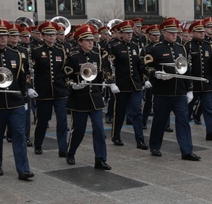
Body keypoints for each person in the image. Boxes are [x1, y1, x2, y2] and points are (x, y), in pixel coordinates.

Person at [0, 20, 35, 180]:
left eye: (5, 35)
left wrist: (26, 95)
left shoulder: (16, 55)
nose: (3, 38)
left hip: (15, 102)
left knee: (19, 134)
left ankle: (23, 169)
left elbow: (22, 77)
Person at [144, 17, 200, 160]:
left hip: (179, 92)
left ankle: (187, 151)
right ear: (164, 32)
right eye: (171, 32)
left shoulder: (181, 48)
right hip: (163, 92)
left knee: (183, 122)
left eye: (176, 32)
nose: (175, 34)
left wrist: (189, 89)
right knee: (159, 121)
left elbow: (186, 70)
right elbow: (146, 67)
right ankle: (155, 146)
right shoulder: (156, 49)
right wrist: (155, 74)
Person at [63, 24, 111, 169]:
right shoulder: (73, 57)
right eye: (87, 40)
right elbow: (65, 76)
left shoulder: (97, 55)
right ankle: (71, 152)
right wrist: (72, 84)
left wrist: (107, 83)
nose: (91, 43)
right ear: (79, 42)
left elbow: (102, 73)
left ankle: (100, 159)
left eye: (92, 40)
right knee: (79, 130)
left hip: (95, 98)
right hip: (79, 99)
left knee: (99, 130)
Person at [30, 20, 70, 157]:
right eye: (48, 34)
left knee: (62, 121)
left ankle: (63, 148)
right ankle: (38, 144)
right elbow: (32, 71)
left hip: (59, 91)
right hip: (44, 92)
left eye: (53, 34)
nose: (51, 37)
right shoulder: (36, 52)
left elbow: (64, 70)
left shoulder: (61, 51)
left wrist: (66, 83)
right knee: (42, 120)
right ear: (43, 36)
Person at [108, 20, 148, 149]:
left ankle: (140, 140)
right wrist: (111, 82)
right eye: (126, 33)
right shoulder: (115, 47)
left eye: (130, 32)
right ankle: (116, 136)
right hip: (121, 84)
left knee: (137, 111)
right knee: (119, 112)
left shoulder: (135, 46)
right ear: (121, 34)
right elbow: (110, 66)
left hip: (135, 84)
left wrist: (145, 79)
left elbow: (139, 65)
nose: (129, 35)